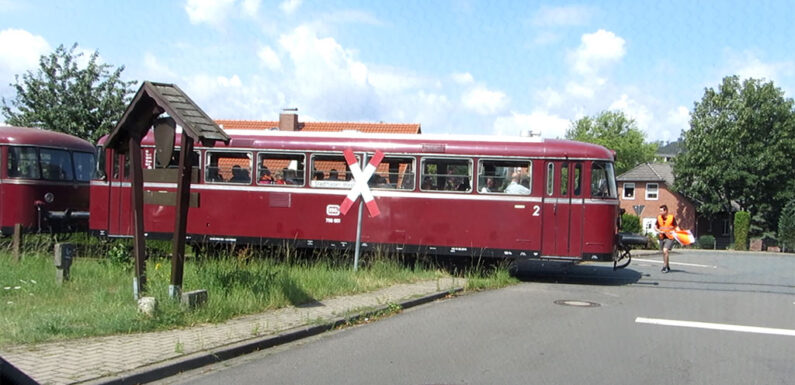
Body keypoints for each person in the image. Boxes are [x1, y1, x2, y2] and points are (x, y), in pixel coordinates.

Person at [655, 204, 677, 273]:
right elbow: (655, 227)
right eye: (660, 211)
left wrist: (680, 233)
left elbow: (676, 227)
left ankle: (665, 267)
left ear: (666, 211)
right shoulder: (659, 218)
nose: (660, 212)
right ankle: (667, 265)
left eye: (661, 211)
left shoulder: (671, 218)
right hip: (662, 237)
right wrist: (659, 231)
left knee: (665, 250)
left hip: (670, 237)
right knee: (664, 253)